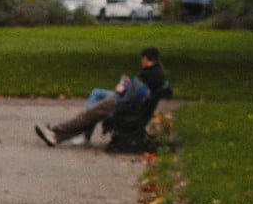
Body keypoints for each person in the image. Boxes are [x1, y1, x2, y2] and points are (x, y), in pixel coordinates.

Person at [34, 47, 169, 146]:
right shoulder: (156, 74)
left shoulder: (148, 75)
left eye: (142, 59)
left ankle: (56, 132)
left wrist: (121, 89)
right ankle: (57, 136)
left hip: (120, 104)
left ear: (145, 58)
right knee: (89, 112)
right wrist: (128, 85)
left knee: (87, 117)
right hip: (129, 106)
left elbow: (132, 96)